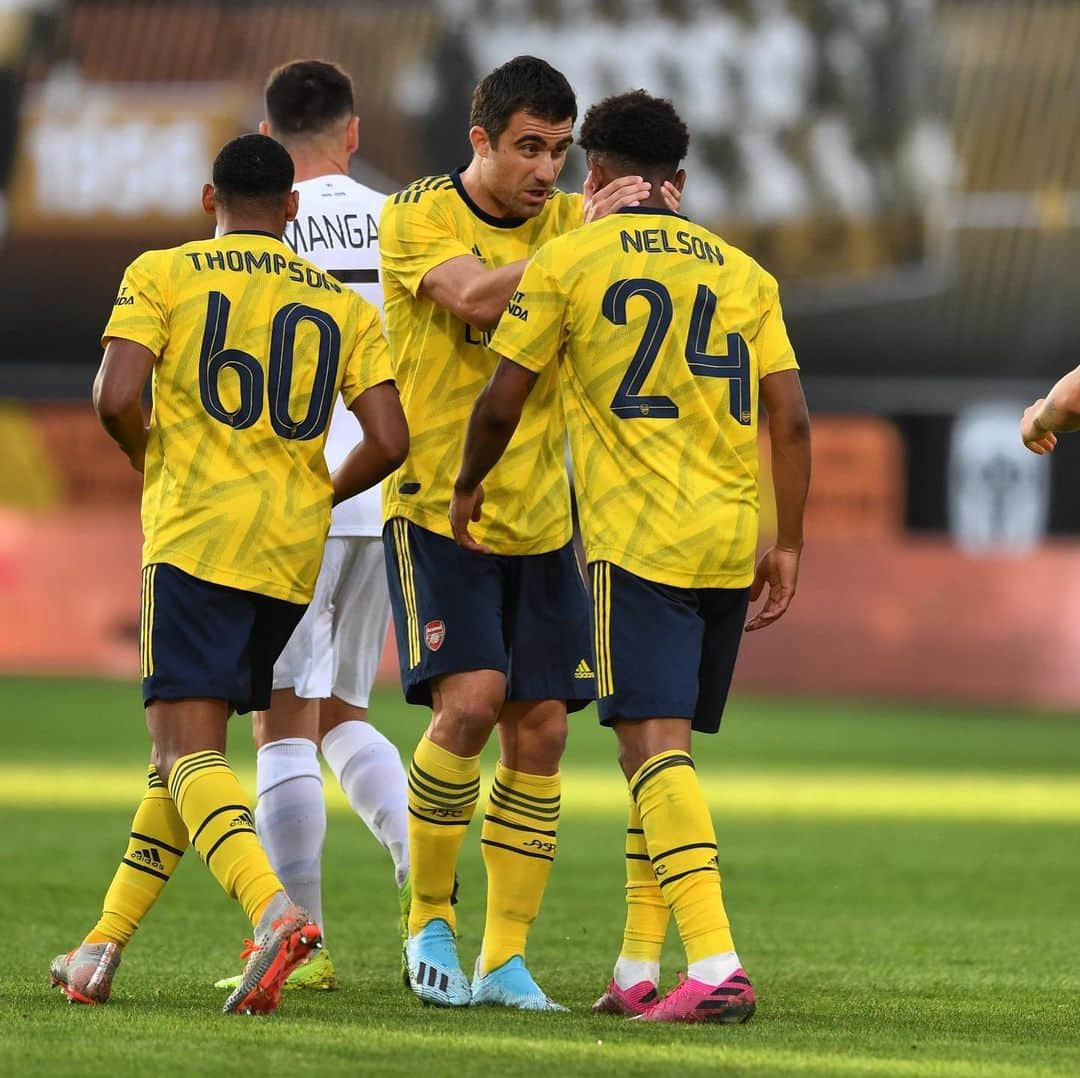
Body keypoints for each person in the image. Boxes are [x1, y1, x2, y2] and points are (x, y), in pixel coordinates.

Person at [450, 90, 811, 1024]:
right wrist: (792, 541)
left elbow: (502, 398)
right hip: (731, 538)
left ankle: (718, 963)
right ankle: (637, 967)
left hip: (636, 539)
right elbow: (794, 419)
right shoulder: (746, 273)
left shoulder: (570, 258)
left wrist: (466, 484)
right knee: (664, 753)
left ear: (595, 176)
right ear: (680, 182)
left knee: (651, 751)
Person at [48, 133, 408, 1016]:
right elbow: (393, 440)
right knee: (180, 755)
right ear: (292, 210)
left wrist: (150, 460)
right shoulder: (339, 306)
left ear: (210, 197)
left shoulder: (163, 274)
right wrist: (321, 492)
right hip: (290, 555)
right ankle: (101, 946)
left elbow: (114, 395)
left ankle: (275, 911)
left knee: (183, 750)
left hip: (198, 534)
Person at [380, 55, 679, 1010]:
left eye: (559, 151)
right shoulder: (419, 212)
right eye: (527, 148)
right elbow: (471, 299)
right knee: (470, 703)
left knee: (542, 729)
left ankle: (503, 958)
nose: (546, 170)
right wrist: (582, 243)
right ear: (480, 140)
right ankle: (429, 915)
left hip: (545, 519)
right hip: (438, 504)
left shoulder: (571, 222)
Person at [212, 59, 410, 997]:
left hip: (288, 496)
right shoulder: (399, 220)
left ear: (267, 130)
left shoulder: (251, 231)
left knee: (281, 724)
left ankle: (308, 939)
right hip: (379, 491)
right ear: (354, 131)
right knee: (346, 714)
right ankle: (427, 868)